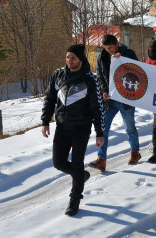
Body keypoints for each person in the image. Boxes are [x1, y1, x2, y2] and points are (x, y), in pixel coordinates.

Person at [41, 44, 104, 216]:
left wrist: (100, 132)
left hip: (81, 128)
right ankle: (81, 175)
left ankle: (74, 200)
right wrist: (45, 121)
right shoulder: (58, 75)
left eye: (73, 58)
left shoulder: (90, 80)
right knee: (58, 163)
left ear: (80, 59)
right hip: (62, 127)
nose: (69, 60)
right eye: (67, 57)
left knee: (76, 163)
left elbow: (97, 108)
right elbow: (50, 99)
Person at [89, 35, 140, 172]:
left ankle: (135, 152)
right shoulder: (102, 58)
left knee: (129, 127)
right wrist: (104, 90)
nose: (109, 51)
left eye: (111, 48)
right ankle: (101, 160)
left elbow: (138, 70)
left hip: (126, 98)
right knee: (103, 129)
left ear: (117, 44)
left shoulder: (128, 53)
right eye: (106, 49)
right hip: (109, 101)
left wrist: (122, 58)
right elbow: (99, 77)